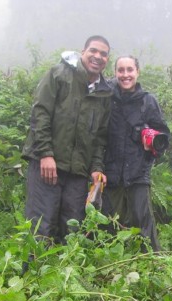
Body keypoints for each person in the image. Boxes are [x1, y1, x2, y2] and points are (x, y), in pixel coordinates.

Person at [22, 35, 113, 243]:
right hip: (47, 166)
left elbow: (100, 137)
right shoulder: (59, 75)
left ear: (107, 59)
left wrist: (97, 167)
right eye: (93, 51)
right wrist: (45, 154)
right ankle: (32, 275)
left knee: (73, 231)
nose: (98, 57)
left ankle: (66, 275)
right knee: (40, 228)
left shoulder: (104, 93)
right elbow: (40, 113)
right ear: (83, 52)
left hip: (78, 173)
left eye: (103, 54)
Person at [102, 55, 170, 251]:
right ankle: (110, 271)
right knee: (108, 225)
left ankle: (153, 268)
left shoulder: (148, 101)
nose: (125, 75)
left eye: (129, 70)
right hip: (111, 172)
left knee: (143, 225)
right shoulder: (107, 98)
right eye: (121, 70)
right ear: (115, 73)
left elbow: (163, 136)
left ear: (137, 72)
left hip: (138, 172)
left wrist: (153, 141)